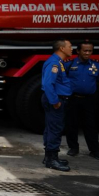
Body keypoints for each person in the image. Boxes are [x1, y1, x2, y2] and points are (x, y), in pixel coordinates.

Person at [65, 40, 99, 161]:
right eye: (85, 50)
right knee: (72, 124)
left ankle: (95, 150)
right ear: (78, 51)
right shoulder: (69, 64)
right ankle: (73, 148)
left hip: (89, 100)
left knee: (91, 125)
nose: (87, 53)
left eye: (90, 51)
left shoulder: (96, 65)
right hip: (73, 99)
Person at [41, 39, 73, 172]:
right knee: (55, 129)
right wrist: (55, 102)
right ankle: (52, 160)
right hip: (55, 100)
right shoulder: (54, 63)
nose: (72, 49)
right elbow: (48, 84)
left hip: (56, 98)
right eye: (70, 46)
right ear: (61, 48)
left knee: (51, 127)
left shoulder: (58, 62)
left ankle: (49, 156)